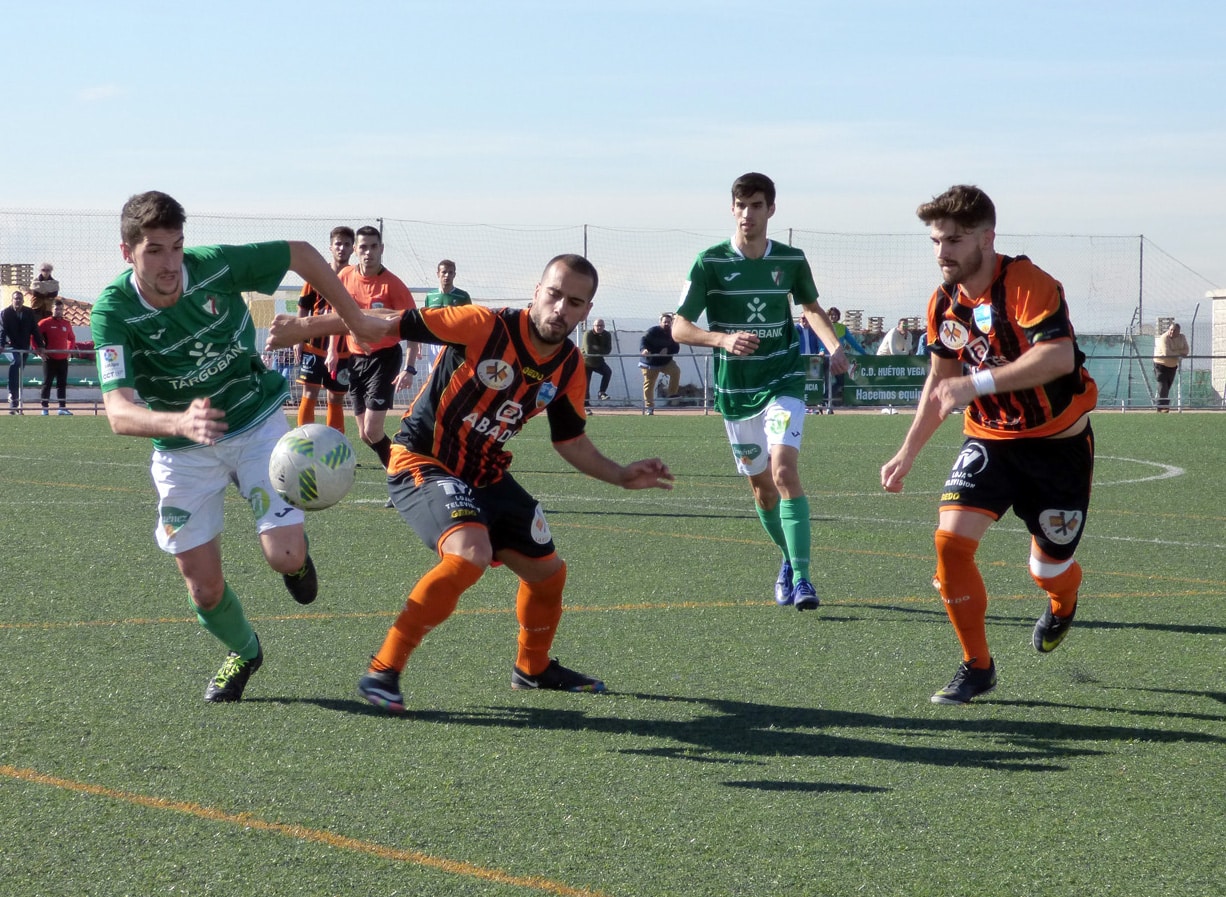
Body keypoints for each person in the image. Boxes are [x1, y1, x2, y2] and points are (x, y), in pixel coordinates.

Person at [265, 253, 675, 713]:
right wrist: (304, 329)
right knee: (469, 554)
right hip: (423, 460)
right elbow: (382, 323)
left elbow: (571, 441)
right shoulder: (484, 324)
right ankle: (383, 669)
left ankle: (532, 669)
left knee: (548, 575)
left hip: (487, 473)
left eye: (575, 302)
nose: (561, 308)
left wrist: (620, 475)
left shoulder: (570, 368)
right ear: (536, 293)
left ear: (586, 310)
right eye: (555, 295)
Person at [89, 190, 375, 703]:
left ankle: (298, 561)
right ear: (126, 252)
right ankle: (245, 651)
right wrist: (181, 421)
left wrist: (351, 317)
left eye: (176, 247)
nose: (170, 263)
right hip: (182, 449)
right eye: (154, 250)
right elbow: (119, 412)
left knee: (283, 557)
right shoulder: (113, 311)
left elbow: (302, 253)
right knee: (203, 589)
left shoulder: (215, 266)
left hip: (255, 420)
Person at [880, 184, 1098, 705]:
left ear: (987, 236)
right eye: (935, 241)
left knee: (1047, 568)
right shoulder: (945, 305)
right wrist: (907, 452)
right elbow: (940, 385)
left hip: (1057, 450)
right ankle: (977, 666)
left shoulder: (1026, 282)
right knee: (949, 546)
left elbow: (1059, 358)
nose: (942, 252)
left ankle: (1062, 600)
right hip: (990, 441)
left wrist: (975, 385)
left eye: (954, 240)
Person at [672, 172, 848, 610]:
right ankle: (788, 560)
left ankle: (804, 579)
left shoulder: (790, 260)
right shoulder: (709, 262)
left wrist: (834, 347)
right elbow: (679, 327)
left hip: (783, 380)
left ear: (771, 209)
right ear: (732, 209)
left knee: (784, 471)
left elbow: (809, 307)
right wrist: (722, 339)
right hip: (736, 389)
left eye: (756, 205)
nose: (748, 213)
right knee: (762, 490)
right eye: (741, 205)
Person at [340, 225, 419, 468]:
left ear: (381, 249)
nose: (368, 252)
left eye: (374, 247)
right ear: (355, 250)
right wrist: (336, 349)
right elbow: (337, 314)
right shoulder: (344, 278)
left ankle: (403, 474)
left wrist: (410, 367)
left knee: (373, 430)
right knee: (365, 434)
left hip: (384, 359)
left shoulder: (393, 285)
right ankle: (398, 469)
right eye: (363, 247)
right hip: (355, 360)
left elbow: (413, 328)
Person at [297, 225, 354, 433]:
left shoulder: (356, 277)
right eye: (338, 244)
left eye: (347, 244)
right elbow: (303, 307)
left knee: (335, 397)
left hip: (343, 349)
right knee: (309, 393)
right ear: (330, 247)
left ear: (353, 249)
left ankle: (334, 445)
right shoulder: (317, 274)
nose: (342, 248)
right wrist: (299, 339)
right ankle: (303, 442)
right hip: (314, 346)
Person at [421, 259, 472, 377]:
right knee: (434, 374)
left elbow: (469, 320)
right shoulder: (430, 296)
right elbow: (425, 320)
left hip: (454, 341)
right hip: (434, 341)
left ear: (455, 274)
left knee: (453, 374)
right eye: (444, 272)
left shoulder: (462, 296)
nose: (447, 275)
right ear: (438, 274)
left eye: (450, 272)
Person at [2, 290, 42, 413]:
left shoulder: (29, 313)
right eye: (15, 298)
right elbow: (2, 330)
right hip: (12, 347)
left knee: (20, 373)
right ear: (12, 300)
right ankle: (12, 394)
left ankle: (15, 404)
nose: (17, 301)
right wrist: (1, 344)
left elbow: (35, 330)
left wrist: (40, 346)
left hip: (24, 347)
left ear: (23, 301)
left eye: (20, 298)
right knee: (16, 361)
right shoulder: (5, 313)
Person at [36, 298, 77, 415]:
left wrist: (69, 351)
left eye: (61, 309)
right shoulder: (45, 323)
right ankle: (44, 408)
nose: (58, 311)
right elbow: (33, 336)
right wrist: (39, 351)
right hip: (49, 359)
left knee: (62, 383)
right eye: (56, 309)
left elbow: (72, 338)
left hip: (63, 359)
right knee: (47, 383)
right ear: (52, 309)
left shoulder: (66, 323)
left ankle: (62, 408)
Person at [639, 312, 681, 414]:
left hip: (665, 362)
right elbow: (643, 340)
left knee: (676, 371)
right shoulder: (652, 331)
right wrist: (644, 350)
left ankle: (671, 394)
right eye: (665, 322)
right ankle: (649, 408)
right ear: (660, 322)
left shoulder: (673, 333)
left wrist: (667, 349)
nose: (666, 324)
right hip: (650, 362)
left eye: (668, 322)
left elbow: (676, 348)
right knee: (649, 385)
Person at [822, 306, 864, 405]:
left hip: (836, 359)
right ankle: (821, 402)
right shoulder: (823, 327)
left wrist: (864, 353)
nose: (833, 317)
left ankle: (825, 399)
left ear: (838, 316)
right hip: (824, 358)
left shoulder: (842, 328)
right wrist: (821, 350)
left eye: (835, 315)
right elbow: (821, 342)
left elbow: (853, 343)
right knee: (821, 381)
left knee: (841, 381)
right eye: (831, 315)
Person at [1152, 321, 1189, 412]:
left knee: (1167, 385)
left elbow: (1186, 350)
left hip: (1172, 366)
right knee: (1162, 384)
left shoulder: (1182, 337)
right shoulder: (1164, 338)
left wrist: (1176, 354)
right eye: (1171, 330)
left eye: (1174, 330)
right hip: (1160, 364)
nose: (1172, 332)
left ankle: (1161, 406)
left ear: (1178, 332)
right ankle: (1162, 406)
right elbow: (1166, 353)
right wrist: (1179, 354)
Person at [582, 317, 613, 407]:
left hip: (598, 361)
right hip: (586, 362)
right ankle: (586, 404)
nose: (599, 327)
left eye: (601, 326)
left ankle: (602, 392)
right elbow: (589, 351)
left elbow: (608, 350)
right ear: (593, 326)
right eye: (597, 325)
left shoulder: (607, 335)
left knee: (607, 372)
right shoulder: (588, 334)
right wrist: (600, 350)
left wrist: (596, 348)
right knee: (586, 383)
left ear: (604, 326)